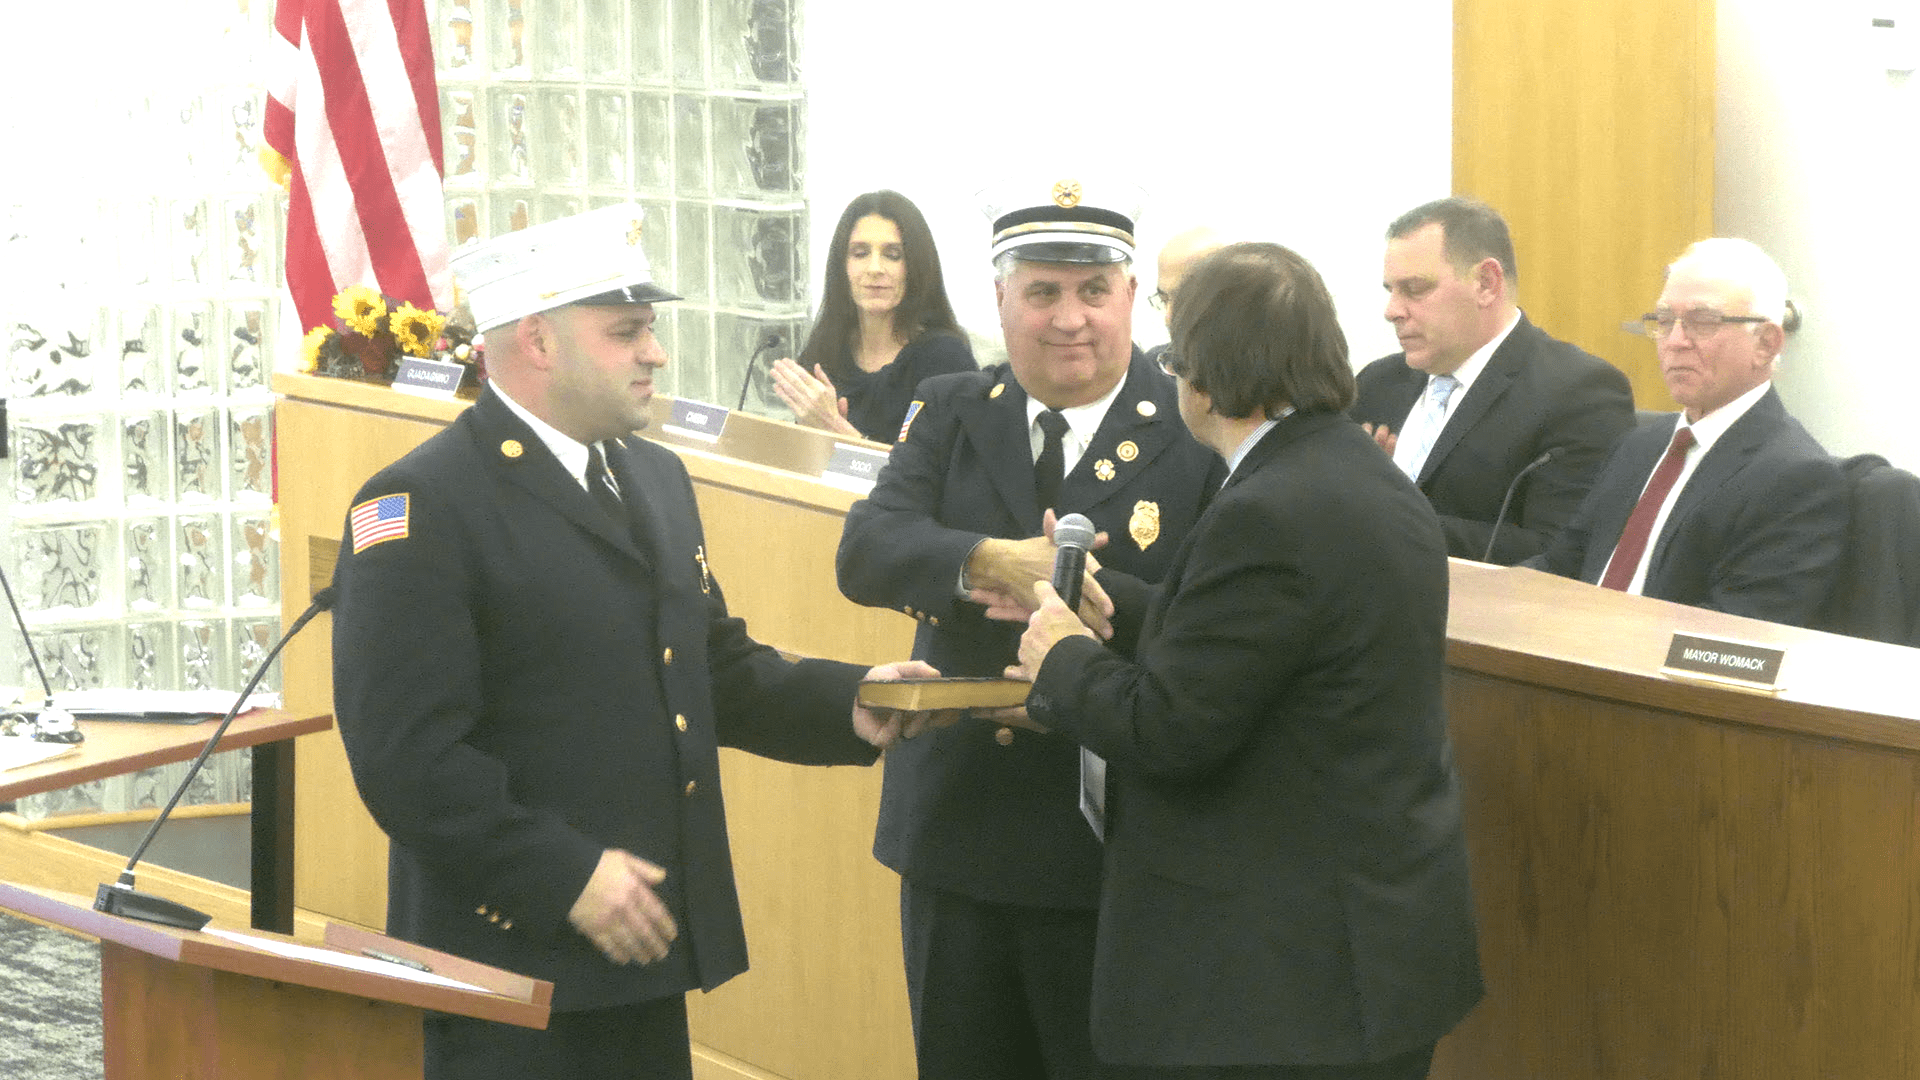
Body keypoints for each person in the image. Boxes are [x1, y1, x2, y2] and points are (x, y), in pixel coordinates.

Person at [329, 204, 939, 1080]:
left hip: (639, 949)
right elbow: (407, 757)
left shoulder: (651, 475)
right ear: (538, 341)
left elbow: (706, 664)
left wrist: (852, 698)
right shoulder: (425, 503)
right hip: (508, 965)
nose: (655, 352)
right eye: (626, 332)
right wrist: (564, 877)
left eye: (649, 328)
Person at [1009, 241, 1483, 1079]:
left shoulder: (1268, 511)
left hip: (1275, 990)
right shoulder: (1362, 477)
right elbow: (1267, 644)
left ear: (1205, 374)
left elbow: (1168, 730)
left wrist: (1063, 658)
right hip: (1368, 952)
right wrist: (1119, 607)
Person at [836, 180, 1226, 1080]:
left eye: (1094, 292)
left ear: (1133, 297)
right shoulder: (952, 406)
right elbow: (867, 550)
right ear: (1000, 300)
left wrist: (1097, 598)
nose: (1070, 319)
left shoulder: (1193, 421)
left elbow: (1215, 619)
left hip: (1112, 846)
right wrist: (987, 559)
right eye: (1042, 292)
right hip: (960, 828)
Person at [1530, 238, 1848, 627]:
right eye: (1665, 321)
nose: (1676, 341)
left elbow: (1736, 629)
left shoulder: (1796, 477)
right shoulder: (1640, 444)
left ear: (1766, 344)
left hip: (1641, 660)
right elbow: (1560, 566)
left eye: (1703, 322)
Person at [1350, 197, 1634, 564]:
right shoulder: (1378, 383)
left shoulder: (1580, 392)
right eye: (1390, 290)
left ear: (1486, 283)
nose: (1392, 311)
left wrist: (1388, 516)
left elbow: (1558, 553)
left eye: (1415, 289)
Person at [770, 190, 976, 442]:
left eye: (892, 255)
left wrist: (838, 431)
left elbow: (939, 468)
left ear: (916, 266)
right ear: (841, 266)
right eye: (860, 253)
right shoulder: (825, 352)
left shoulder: (946, 360)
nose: (875, 268)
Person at [1142, 225, 1226, 371]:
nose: (1168, 318)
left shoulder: (1268, 369)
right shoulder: (1156, 367)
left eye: (1185, 300)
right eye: (1164, 300)